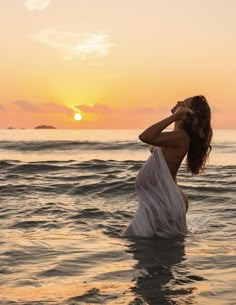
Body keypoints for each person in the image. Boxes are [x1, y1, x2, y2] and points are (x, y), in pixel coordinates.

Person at [122, 95, 212, 238]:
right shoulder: (177, 136)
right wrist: (176, 119)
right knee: (157, 251)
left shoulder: (181, 137)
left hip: (163, 200)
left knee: (148, 251)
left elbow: (145, 136)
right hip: (162, 199)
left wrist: (173, 118)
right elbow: (154, 143)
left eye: (183, 103)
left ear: (187, 113)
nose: (178, 102)